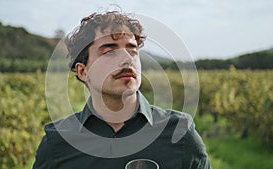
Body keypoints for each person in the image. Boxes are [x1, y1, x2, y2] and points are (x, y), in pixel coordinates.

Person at [33, 10, 211, 169]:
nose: (127, 59)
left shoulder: (179, 134)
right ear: (83, 71)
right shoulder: (57, 142)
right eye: (109, 51)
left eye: (132, 50)